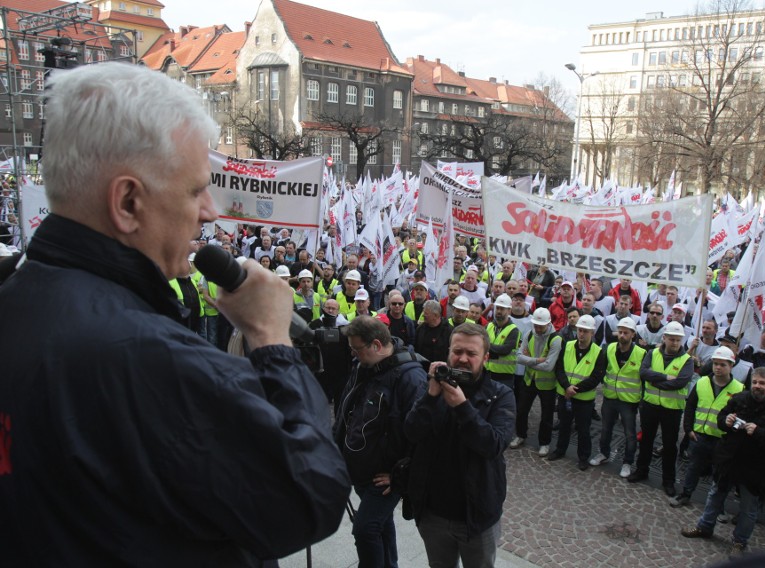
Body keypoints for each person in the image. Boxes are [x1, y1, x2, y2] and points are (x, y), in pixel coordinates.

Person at [0, 62, 349, 564]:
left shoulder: (15, 297)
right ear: (128, 202)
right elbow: (309, 497)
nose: (209, 210)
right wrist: (271, 339)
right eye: (194, 190)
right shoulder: (146, 355)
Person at [405, 323, 515, 567]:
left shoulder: (501, 395)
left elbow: (493, 445)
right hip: (432, 512)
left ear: (485, 358)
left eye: (472, 354)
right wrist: (431, 397)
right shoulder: (433, 387)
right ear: (448, 353)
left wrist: (463, 407)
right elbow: (411, 432)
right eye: (457, 351)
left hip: (477, 515)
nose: (463, 359)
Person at [334, 316, 427, 568]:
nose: (353, 354)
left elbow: (422, 435)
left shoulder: (411, 378)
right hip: (363, 469)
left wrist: (400, 475)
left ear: (376, 344)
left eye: (356, 349)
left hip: (385, 476)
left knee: (365, 529)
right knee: (381, 525)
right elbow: (346, 409)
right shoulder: (365, 366)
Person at [681, 368, 765, 556]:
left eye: (762, 383)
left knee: (748, 507)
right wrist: (726, 420)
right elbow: (720, 419)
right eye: (755, 382)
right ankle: (705, 526)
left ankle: (740, 542)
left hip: (755, 467)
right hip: (728, 460)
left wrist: (759, 432)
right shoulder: (740, 399)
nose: (757, 386)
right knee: (715, 495)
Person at [670, 347, 744, 508]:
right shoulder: (702, 382)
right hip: (699, 435)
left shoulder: (739, 389)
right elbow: (690, 406)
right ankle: (686, 494)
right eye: (715, 364)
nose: (717, 367)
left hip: (721, 439)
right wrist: (688, 429)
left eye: (722, 365)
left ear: (731, 366)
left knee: (720, 474)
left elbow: (740, 416)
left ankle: (718, 505)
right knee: (693, 468)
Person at [628, 322, 694, 496]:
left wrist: (655, 381)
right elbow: (643, 373)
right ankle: (642, 470)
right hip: (650, 405)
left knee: (670, 446)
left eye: (678, 340)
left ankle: (668, 480)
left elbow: (680, 382)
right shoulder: (652, 353)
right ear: (664, 338)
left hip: (671, 410)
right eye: (671, 339)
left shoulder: (687, 360)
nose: (674, 343)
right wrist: (665, 377)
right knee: (646, 440)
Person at [590, 318, 647, 478]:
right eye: (620, 332)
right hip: (610, 396)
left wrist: (642, 400)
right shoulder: (609, 348)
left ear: (633, 334)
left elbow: (644, 379)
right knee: (606, 428)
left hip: (629, 400)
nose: (622, 335)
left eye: (625, 332)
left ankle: (627, 462)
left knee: (629, 433)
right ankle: (603, 453)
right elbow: (602, 369)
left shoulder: (641, 353)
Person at [550, 314, 607, 468]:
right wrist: (566, 386)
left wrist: (575, 389)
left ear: (592, 333)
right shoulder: (567, 346)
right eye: (580, 330)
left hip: (584, 400)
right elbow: (559, 368)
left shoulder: (598, 352)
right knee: (564, 425)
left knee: (584, 430)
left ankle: (583, 457)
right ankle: (560, 450)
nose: (581, 334)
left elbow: (596, 377)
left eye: (585, 331)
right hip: (565, 395)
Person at [513, 308, 563, 457]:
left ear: (548, 324)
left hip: (547, 385)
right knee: (522, 410)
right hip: (529, 380)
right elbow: (518, 356)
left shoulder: (556, 339)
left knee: (546, 416)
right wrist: (536, 360)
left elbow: (549, 366)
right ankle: (520, 435)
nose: (537, 328)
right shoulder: (529, 334)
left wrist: (528, 361)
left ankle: (544, 443)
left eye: (540, 326)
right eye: (536, 325)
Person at [484, 294, 520, 389]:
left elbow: (505, 350)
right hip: (487, 373)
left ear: (509, 311)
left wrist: (486, 346)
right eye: (498, 308)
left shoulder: (514, 330)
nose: (499, 311)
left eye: (502, 309)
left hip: (505, 377)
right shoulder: (489, 326)